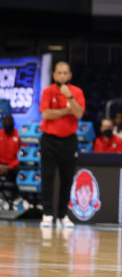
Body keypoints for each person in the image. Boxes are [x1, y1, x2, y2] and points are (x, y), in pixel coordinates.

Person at [38, 61, 85, 229]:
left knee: (67, 179)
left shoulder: (76, 92)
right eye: (60, 73)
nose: (63, 76)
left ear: (70, 75)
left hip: (69, 141)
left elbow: (78, 113)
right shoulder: (48, 91)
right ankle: (47, 214)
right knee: (47, 178)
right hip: (50, 140)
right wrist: (66, 111)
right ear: (54, 75)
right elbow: (46, 113)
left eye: (66, 73)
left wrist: (69, 97)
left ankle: (63, 215)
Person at [0, 113, 21, 209]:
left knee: (21, 172)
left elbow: (22, 155)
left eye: (9, 121)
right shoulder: (0, 134)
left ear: (13, 122)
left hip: (13, 165)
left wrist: (10, 167)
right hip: (0, 164)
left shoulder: (18, 135)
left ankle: (17, 199)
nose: (7, 123)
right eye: (5, 121)